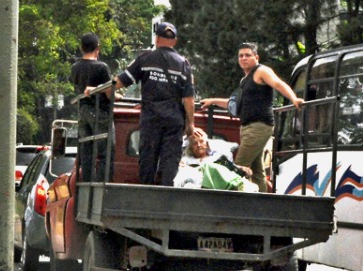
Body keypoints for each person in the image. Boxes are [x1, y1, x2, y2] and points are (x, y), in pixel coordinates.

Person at [87, 22, 196, 186]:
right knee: (170, 160)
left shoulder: (145, 59)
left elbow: (120, 81)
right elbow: (189, 98)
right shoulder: (183, 64)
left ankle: (146, 192)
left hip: (151, 119)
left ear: (157, 38)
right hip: (174, 120)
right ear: (174, 41)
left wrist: (97, 89)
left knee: (148, 158)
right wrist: (191, 124)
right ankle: (167, 194)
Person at [200, 42, 303, 192]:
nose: (244, 58)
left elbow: (278, 84)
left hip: (259, 126)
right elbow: (235, 104)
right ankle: (261, 204)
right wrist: (213, 101)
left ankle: (231, 205)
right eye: (241, 56)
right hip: (247, 127)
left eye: (248, 55)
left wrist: (294, 99)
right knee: (258, 173)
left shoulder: (261, 71)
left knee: (237, 167)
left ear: (256, 57)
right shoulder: (244, 80)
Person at [70, 32, 119, 182]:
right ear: (98, 48)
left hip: (83, 112)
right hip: (100, 112)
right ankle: (103, 184)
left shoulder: (75, 67)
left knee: (87, 151)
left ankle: (86, 182)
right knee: (106, 151)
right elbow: (109, 93)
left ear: (81, 48)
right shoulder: (101, 67)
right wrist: (118, 95)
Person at [174, 128, 256, 191]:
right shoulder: (186, 160)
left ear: (206, 143)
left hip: (219, 187)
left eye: (201, 141)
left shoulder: (218, 158)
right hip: (200, 187)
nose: (199, 145)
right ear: (191, 147)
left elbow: (233, 170)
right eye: (195, 143)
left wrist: (243, 170)